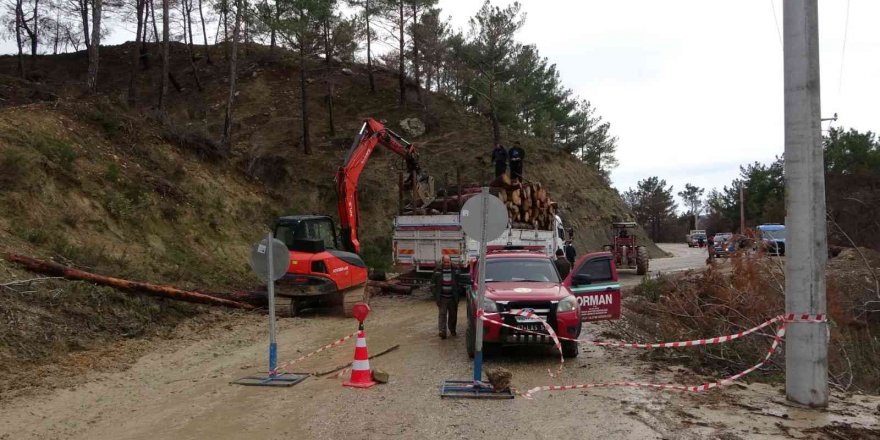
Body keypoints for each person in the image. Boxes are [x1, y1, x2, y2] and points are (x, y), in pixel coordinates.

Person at [431, 255, 460, 339]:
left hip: (453, 298)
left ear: (450, 261)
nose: (447, 264)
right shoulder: (437, 270)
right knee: (442, 315)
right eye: (445, 262)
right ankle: (442, 332)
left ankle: (452, 330)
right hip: (442, 297)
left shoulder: (456, 269)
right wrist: (435, 295)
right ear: (442, 262)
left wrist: (458, 293)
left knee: (453, 316)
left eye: (448, 262)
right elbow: (433, 284)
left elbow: (459, 282)